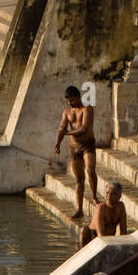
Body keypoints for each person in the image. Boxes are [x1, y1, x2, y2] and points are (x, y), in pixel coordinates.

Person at [54, 85, 98, 221]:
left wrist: (67, 133)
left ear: (78, 97)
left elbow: (84, 128)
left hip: (87, 145)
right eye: (69, 101)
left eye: (73, 100)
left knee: (90, 169)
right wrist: (58, 143)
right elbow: (61, 127)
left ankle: (94, 196)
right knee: (79, 179)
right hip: (74, 148)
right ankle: (79, 209)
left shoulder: (87, 108)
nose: (71, 103)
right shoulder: (67, 111)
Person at [79, 181, 127, 248]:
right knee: (84, 230)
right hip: (94, 237)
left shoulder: (121, 207)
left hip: (110, 239)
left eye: (113, 194)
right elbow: (100, 234)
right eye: (107, 193)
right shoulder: (101, 208)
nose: (109, 196)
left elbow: (123, 230)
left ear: (119, 196)